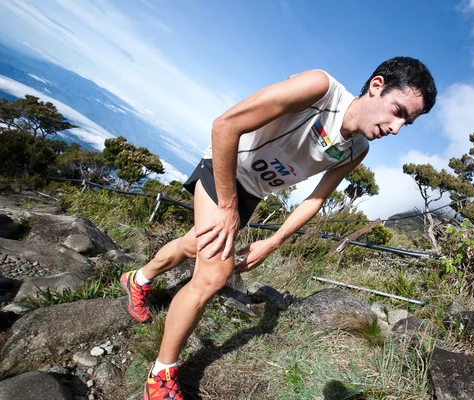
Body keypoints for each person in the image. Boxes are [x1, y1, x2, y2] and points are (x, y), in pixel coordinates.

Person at [120, 56, 436, 400]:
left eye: (408, 123)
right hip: (224, 166)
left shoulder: (357, 149)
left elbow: (314, 200)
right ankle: (161, 374)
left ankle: (138, 279)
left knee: (195, 244)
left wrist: (273, 241)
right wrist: (227, 206)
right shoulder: (320, 88)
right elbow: (225, 125)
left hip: (252, 192)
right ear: (377, 86)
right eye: (398, 111)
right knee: (213, 274)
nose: (396, 128)